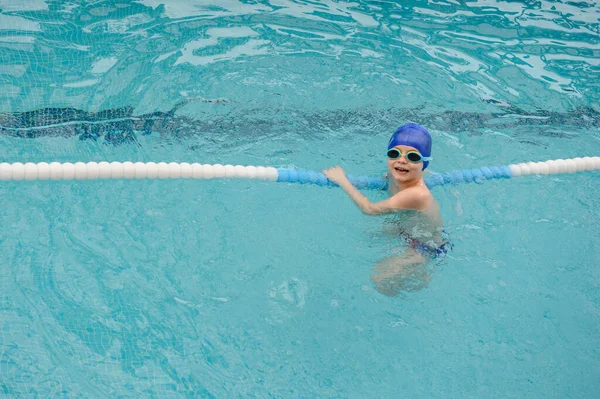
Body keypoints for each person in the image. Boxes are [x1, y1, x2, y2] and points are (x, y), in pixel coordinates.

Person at [323, 123, 451, 296]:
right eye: (394, 153)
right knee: (368, 235)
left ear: (424, 164)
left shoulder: (416, 194)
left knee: (380, 279)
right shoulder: (402, 175)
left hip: (425, 247)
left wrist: (343, 181)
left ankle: (422, 280)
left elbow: (368, 209)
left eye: (413, 157)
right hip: (407, 230)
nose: (402, 160)